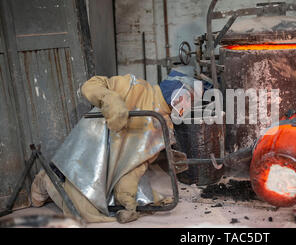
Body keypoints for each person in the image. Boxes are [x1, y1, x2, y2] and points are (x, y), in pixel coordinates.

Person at [31, 73, 193, 223]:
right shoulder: (135, 86)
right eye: (190, 99)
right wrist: (110, 99)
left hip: (111, 166)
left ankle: (58, 183)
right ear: (179, 95)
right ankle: (46, 179)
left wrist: (127, 199)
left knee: (96, 208)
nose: (189, 106)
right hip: (89, 148)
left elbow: (136, 164)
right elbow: (91, 84)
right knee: (80, 209)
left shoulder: (164, 125)